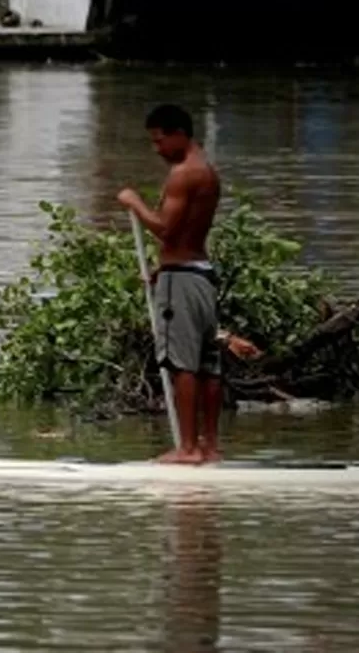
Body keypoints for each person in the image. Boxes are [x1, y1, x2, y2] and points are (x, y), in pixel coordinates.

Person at [118, 104, 228, 465]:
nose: (157, 149)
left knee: (182, 364)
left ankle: (188, 449)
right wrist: (160, 267)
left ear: (180, 133)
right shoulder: (207, 172)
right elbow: (184, 235)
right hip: (199, 274)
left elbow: (165, 228)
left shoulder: (184, 174)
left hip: (181, 281)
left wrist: (134, 203)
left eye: (160, 140)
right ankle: (209, 447)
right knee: (209, 363)